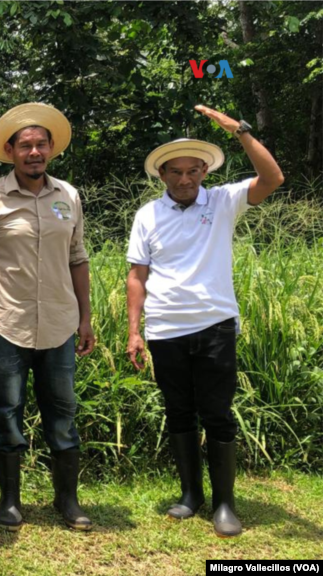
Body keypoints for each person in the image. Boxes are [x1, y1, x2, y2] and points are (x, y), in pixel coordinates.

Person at [126, 105, 284, 538]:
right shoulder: (147, 215)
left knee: (217, 413)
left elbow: (273, 179)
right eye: (175, 172)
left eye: (193, 170)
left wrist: (242, 132)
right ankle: (190, 495)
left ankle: (225, 504)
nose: (184, 179)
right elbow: (136, 276)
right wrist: (134, 332)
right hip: (165, 329)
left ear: (204, 171)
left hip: (215, 325)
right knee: (178, 412)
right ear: (162, 175)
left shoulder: (223, 200)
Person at [0, 102, 95, 532]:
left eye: (41, 144)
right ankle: (9, 501)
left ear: (51, 148)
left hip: (59, 322)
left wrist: (86, 317)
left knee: (63, 412)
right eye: (25, 145)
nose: (34, 152)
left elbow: (77, 257)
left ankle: (67, 501)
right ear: (11, 150)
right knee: (6, 410)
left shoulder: (68, 196)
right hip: (6, 322)